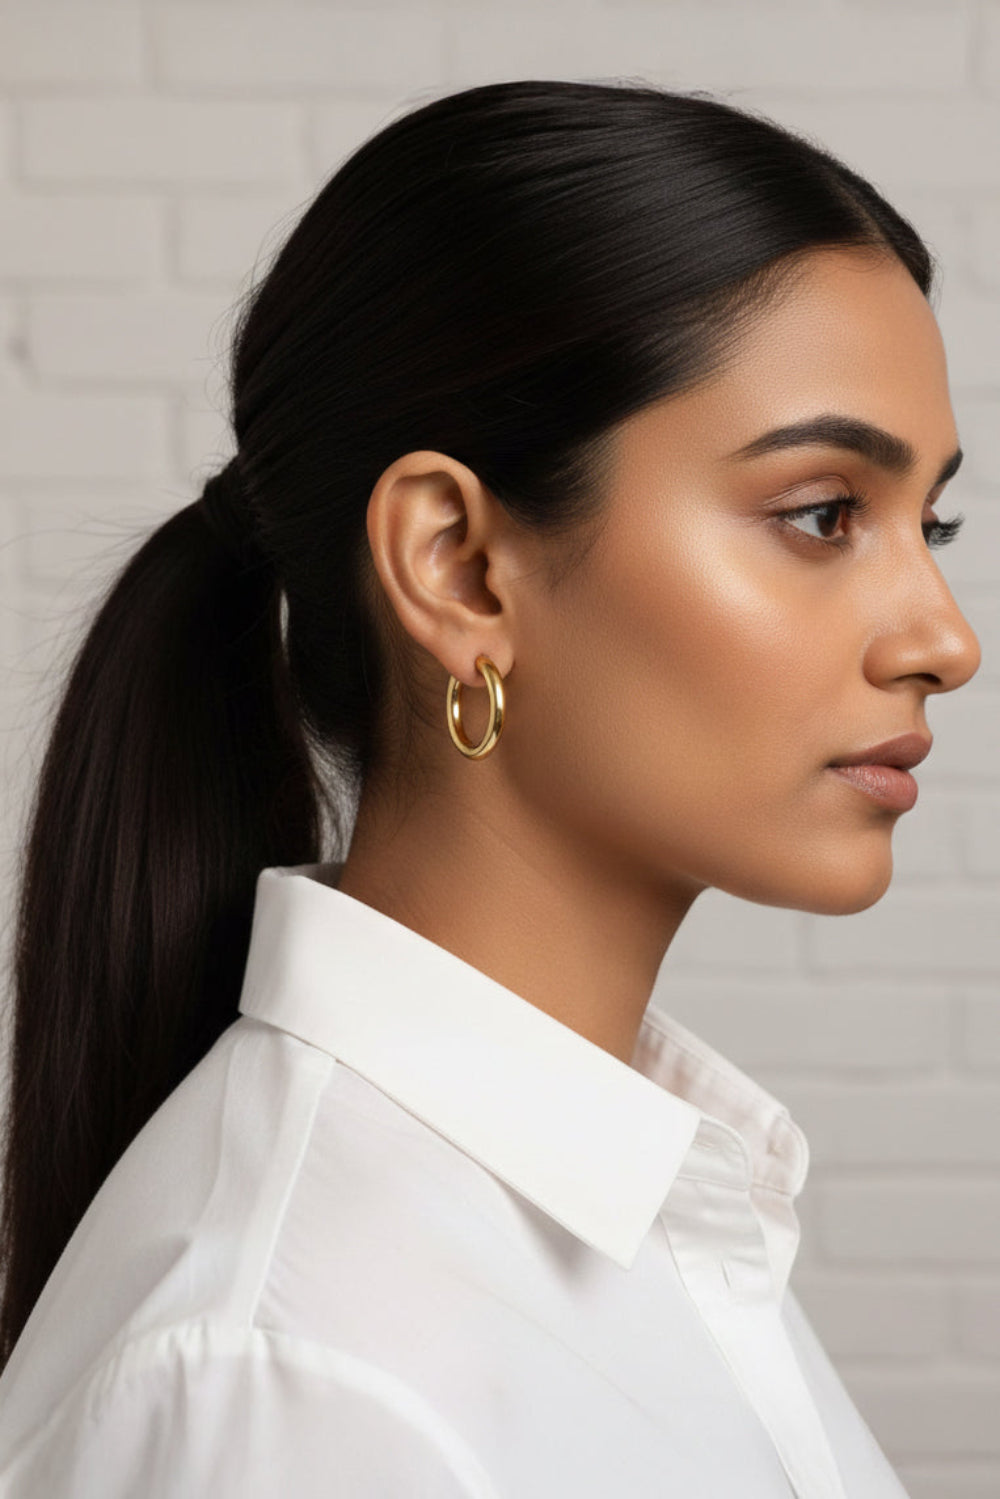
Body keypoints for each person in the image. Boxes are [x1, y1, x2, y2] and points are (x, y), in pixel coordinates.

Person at [0, 78, 980, 1497]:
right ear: (458, 566)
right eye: (823, 514)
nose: (944, 639)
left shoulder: (640, 1220)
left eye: (929, 519)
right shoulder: (298, 1384)